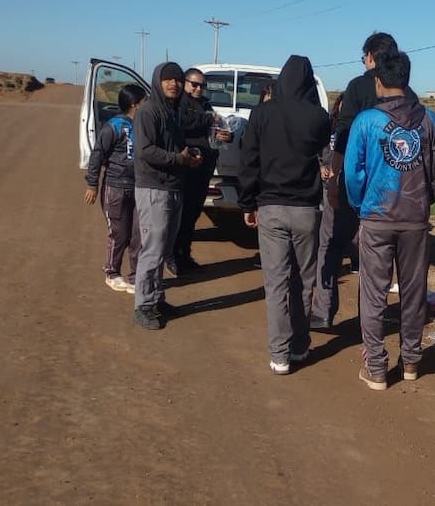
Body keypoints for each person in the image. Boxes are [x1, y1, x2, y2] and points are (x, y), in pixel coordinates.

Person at [344, 50, 435, 390]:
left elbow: (353, 173)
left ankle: (376, 367)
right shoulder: (430, 120)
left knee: (373, 294)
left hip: (376, 216)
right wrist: (423, 203)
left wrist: (360, 205)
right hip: (415, 218)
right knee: (414, 292)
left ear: (378, 81)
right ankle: (411, 361)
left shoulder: (366, 121)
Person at [311, 32, 410, 330]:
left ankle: (323, 311)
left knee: (331, 244)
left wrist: (333, 177)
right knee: (377, 256)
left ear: (369, 56)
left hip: (351, 180)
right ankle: (370, 319)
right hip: (390, 188)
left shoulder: (357, 86)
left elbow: (342, 133)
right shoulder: (407, 94)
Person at [238, 55, 330, 375]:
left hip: (271, 208)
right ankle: (300, 346)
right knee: (303, 283)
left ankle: (279, 355)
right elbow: (322, 153)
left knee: (275, 284)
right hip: (306, 210)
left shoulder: (262, 113)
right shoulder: (319, 117)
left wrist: (247, 203)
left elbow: (249, 160)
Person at [132, 62, 202, 330]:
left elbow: (174, 147)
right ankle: (143, 305)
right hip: (154, 188)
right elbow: (145, 150)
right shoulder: (148, 111)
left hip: (172, 187)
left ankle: (156, 299)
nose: (174, 84)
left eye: (178, 79)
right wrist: (178, 158)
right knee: (152, 250)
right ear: (157, 81)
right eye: (168, 79)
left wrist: (190, 155)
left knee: (163, 249)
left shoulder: (171, 111)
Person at [84, 84, 147, 295]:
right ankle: (112, 273)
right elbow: (97, 154)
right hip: (116, 187)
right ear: (134, 104)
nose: (147, 105)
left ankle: (137, 276)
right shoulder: (114, 126)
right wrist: (92, 184)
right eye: (144, 101)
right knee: (119, 234)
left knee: (138, 235)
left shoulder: (143, 126)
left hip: (139, 187)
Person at [169, 67, 228, 276]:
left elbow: (213, 127)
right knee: (181, 214)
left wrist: (223, 135)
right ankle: (173, 256)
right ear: (185, 83)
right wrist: (208, 120)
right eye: (194, 84)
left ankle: (185, 254)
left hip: (204, 167)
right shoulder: (179, 103)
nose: (198, 89)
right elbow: (184, 123)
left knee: (193, 214)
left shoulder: (205, 104)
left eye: (202, 85)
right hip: (187, 168)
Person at [310, 93, 360, 329]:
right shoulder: (328, 130)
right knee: (328, 248)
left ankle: (368, 320)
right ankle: (323, 312)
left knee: (364, 254)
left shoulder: (362, 130)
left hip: (357, 198)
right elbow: (316, 154)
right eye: (341, 107)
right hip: (332, 195)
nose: (343, 111)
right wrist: (321, 167)